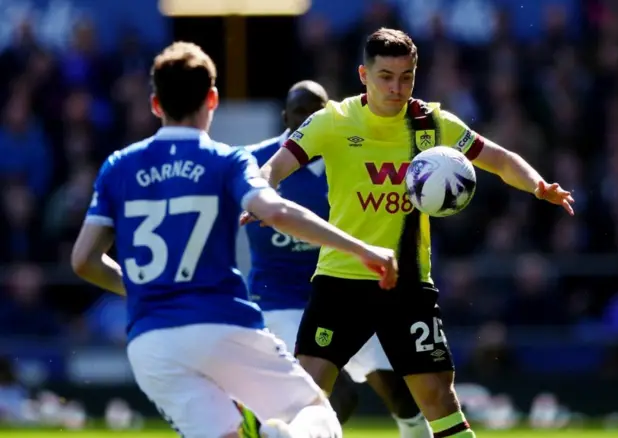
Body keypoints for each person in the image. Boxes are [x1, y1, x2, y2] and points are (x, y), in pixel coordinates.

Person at [241, 28, 574, 438]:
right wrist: (261, 194)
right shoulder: (333, 121)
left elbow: (500, 159)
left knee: (436, 396)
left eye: (407, 77)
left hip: (407, 285)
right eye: (386, 76)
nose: (397, 88)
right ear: (364, 74)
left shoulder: (431, 124)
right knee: (306, 394)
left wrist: (538, 184)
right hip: (341, 281)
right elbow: (277, 165)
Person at [70, 41, 398, 438]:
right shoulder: (226, 160)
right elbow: (277, 212)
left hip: (150, 342)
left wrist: (145, 290)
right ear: (212, 99)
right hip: (221, 324)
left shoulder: (117, 166)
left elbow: (84, 260)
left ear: (156, 104)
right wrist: (363, 250)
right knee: (319, 417)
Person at [239, 80, 431, 438]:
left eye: (317, 111)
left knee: (402, 397)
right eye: (300, 111)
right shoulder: (254, 161)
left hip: (346, 292)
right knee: (335, 394)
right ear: (285, 117)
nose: (309, 118)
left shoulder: (353, 155)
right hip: (282, 301)